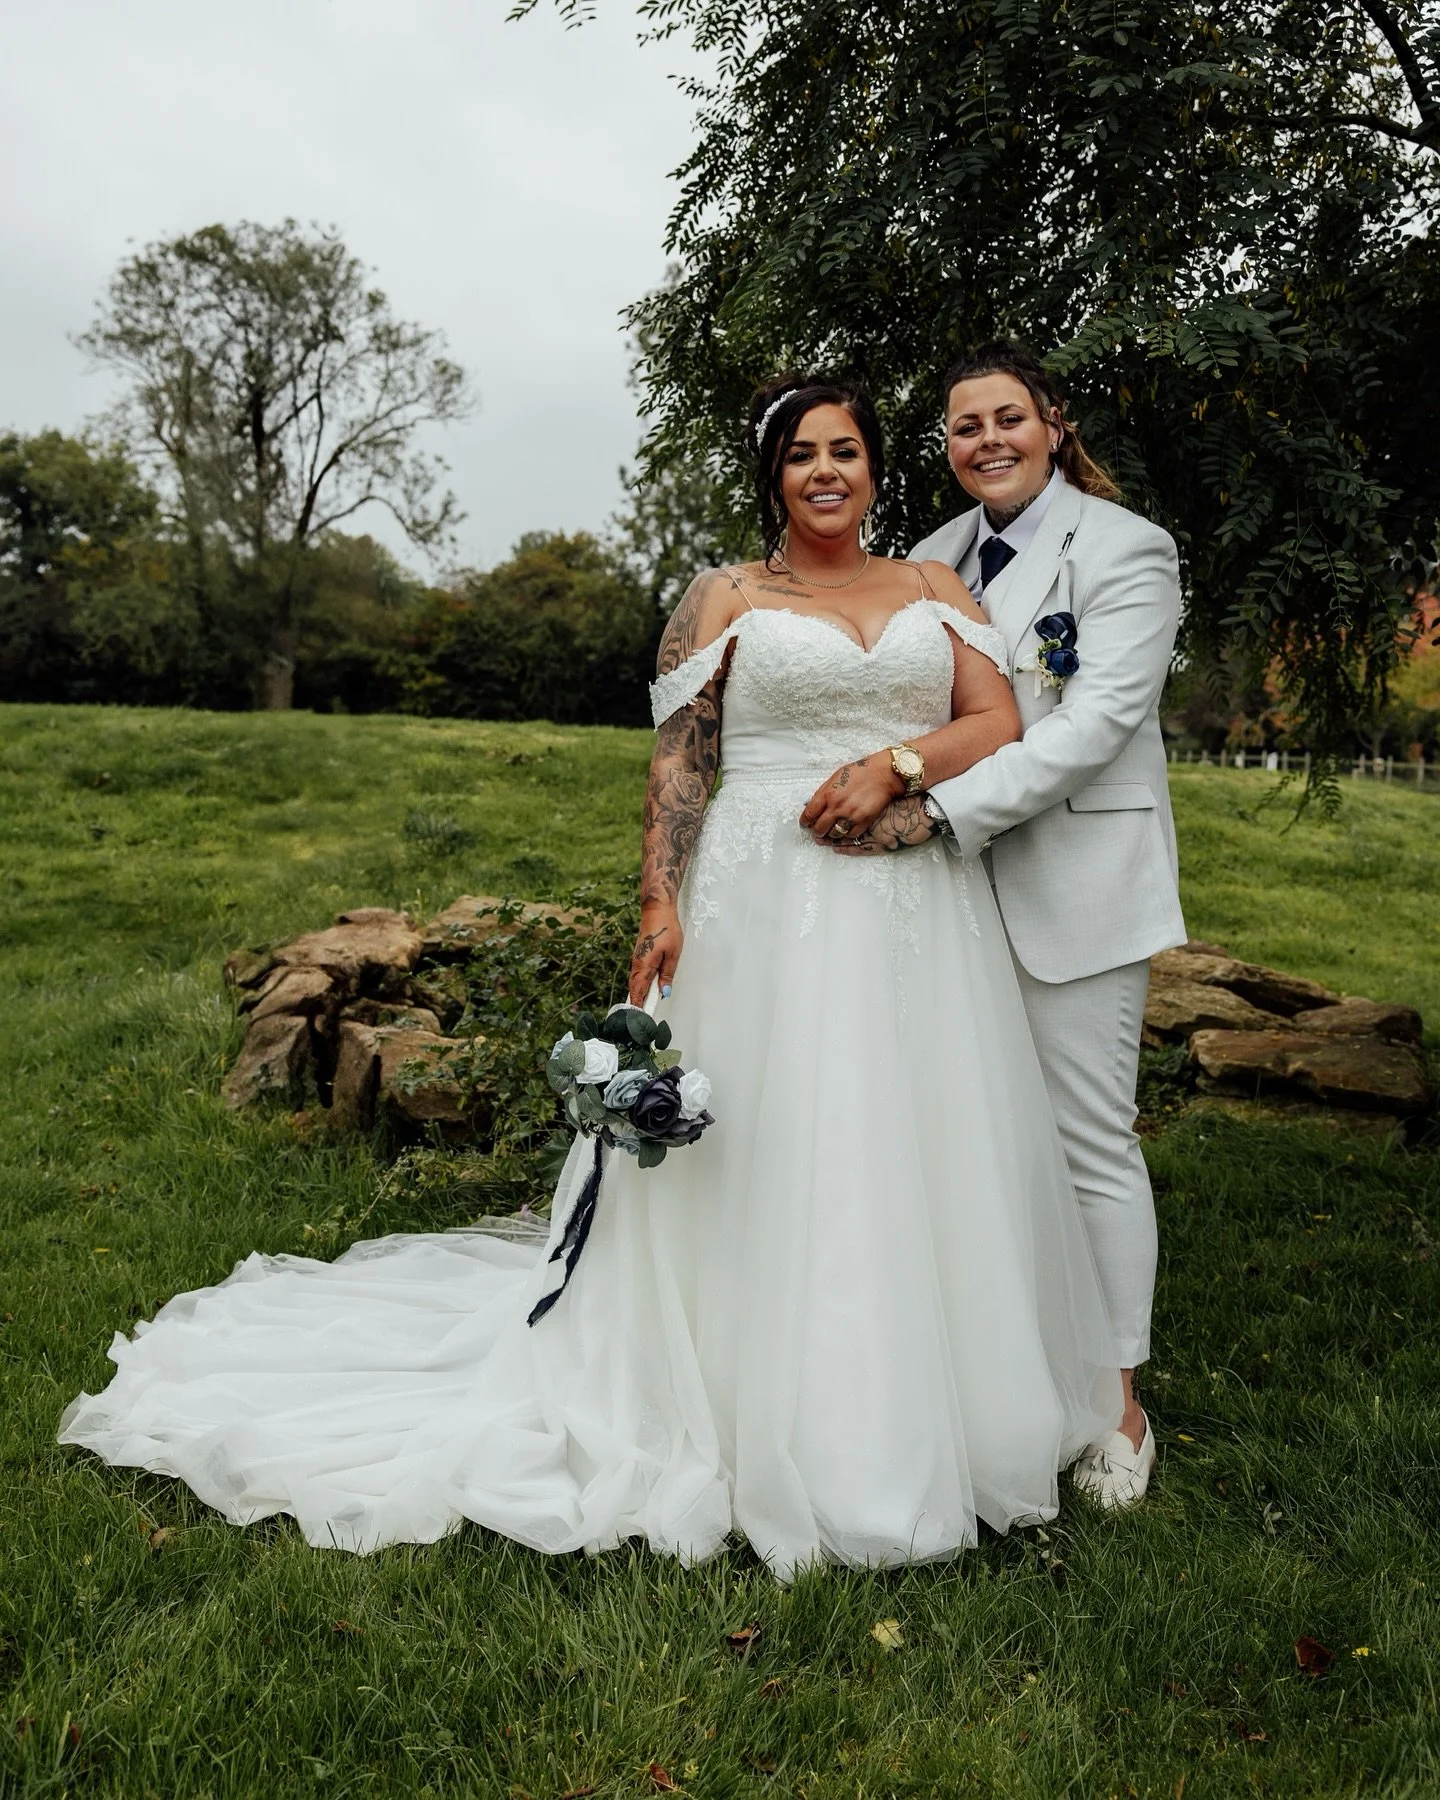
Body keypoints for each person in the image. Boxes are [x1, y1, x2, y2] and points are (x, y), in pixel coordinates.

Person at [59, 373, 1122, 1579]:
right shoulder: (722, 597)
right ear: (772, 477)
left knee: (914, 1138)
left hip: (915, 901)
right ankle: (739, 1403)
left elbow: (997, 723)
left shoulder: (937, 590)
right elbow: (682, 762)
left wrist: (895, 761)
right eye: (799, 456)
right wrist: (660, 901)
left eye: (847, 451)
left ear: (878, 467)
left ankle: (936, 1415)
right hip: (762, 892)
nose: (826, 472)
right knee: (773, 1140)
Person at [847, 341, 1186, 1508]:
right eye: (962, 428)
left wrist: (940, 811)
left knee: (1088, 1145)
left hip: (1073, 883)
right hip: (942, 900)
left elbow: (1094, 723)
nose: (986, 441)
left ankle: (1119, 1408)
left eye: (1007, 419)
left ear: (1051, 422)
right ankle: (996, 1375)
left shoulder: (1128, 548)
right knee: (972, 1137)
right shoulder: (931, 560)